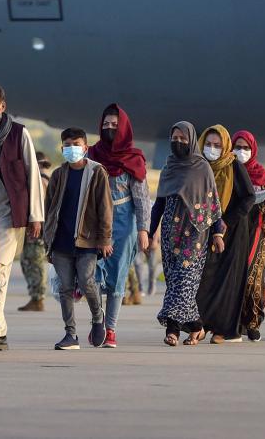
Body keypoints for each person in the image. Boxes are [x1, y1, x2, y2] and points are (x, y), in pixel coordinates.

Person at [0, 83, 45, 354]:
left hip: (8, 214)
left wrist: (36, 216)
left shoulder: (18, 134)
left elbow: (33, 174)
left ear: (2, 106)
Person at [151, 121, 224, 346]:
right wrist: (148, 231)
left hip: (195, 233)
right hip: (170, 234)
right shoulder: (169, 167)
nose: (178, 143)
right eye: (175, 139)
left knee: (185, 280)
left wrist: (218, 233)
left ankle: (172, 330)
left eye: (183, 139)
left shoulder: (202, 168)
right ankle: (197, 327)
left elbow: (213, 204)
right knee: (175, 282)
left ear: (191, 140)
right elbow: (159, 205)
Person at [43, 128, 113, 350]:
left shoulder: (97, 173)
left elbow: (105, 208)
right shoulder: (58, 175)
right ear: (62, 148)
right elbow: (49, 210)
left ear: (85, 147)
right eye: (67, 145)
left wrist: (105, 239)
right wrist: (48, 242)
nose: (72, 149)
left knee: (86, 281)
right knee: (64, 288)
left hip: (88, 241)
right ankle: (70, 334)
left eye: (76, 144)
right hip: (61, 241)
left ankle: (97, 318)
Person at [87, 104, 151, 348]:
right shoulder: (92, 155)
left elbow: (142, 198)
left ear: (124, 128)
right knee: (90, 275)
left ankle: (110, 329)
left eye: (115, 125)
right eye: (106, 125)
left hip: (124, 223)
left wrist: (143, 230)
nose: (110, 129)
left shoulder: (133, 159)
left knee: (117, 278)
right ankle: (97, 322)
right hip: (95, 223)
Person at [196, 125, 257, 343]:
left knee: (228, 280)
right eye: (209, 144)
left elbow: (249, 197)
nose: (212, 149)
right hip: (206, 229)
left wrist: (225, 222)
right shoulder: (200, 165)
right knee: (206, 277)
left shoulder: (234, 166)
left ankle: (223, 330)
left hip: (232, 230)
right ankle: (200, 324)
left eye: (217, 145)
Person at [231, 129, 265, 342]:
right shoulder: (228, 172)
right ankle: (235, 321)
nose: (241, 152)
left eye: (246, 148)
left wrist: (258, 205)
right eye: (237, 147)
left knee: (252, 277)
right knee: (233, 278)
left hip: (257, 229)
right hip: (233, 230)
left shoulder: (260, 173)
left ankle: (253, 321)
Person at [17, 152, 52, 312]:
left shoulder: (41, 181)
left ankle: (37, 298)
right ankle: (36, 297)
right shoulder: (47, 179)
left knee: (33, 263)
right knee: (31, 261)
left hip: (38, 230)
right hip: (40, 230)